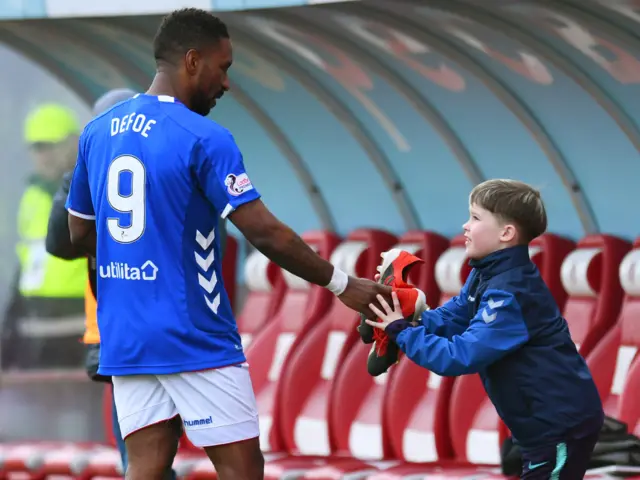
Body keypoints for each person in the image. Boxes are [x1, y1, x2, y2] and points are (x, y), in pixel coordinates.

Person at [64, 8, 390, 480]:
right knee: (242, 471)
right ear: (193, 61)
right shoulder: (204, 137)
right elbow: (264, 232)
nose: (227, 83)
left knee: (145, 467)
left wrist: (137, 259)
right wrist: (342, 283)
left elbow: (79, 233)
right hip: (194, 336)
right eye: (224, 67)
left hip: (128, 336)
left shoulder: (98, 132)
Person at [367, 179, 604, 479]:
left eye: (476, 218)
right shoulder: (486, 276)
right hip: (539, 428)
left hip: (559, 427)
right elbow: (452, 320)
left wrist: (401, 331)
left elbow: (459, 356)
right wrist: (407, 316)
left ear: (506, 233)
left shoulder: (511, 294)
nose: (465, 226)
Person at [45, 88, 179, 479]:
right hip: (129, 333)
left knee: (149, 457)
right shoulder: (93, 177)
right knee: (145, 458)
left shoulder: (160, 173)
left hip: (146, 332)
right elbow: (60, 242)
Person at [1, 104, 87, 369]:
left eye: (51, 146)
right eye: (37, 148)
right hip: (35, 328)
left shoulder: (91, 189)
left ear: (73, 142)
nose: (44, 156)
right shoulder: (32, 196)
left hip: (78, 326)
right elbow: (27, 260)